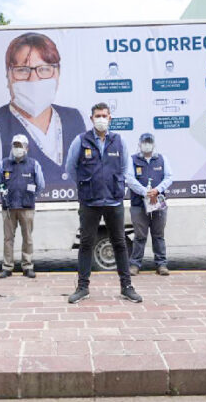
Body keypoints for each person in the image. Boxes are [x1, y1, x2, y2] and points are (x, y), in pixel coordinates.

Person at [0, 32, 86, 188]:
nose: (33, 79)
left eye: (44, 69)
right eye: (22, 70)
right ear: (9, 75)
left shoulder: (79, 118)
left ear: (57, 74)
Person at [65, 102, 142, 304]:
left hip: (113, 200)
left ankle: (127, 287)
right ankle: (82, 288)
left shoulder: (119, 141)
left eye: (104, 115)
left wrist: (117, 187)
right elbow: (71, 168)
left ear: (110, 119)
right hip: (90, 201)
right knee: (86, 244)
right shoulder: (81, 141)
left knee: (119, 243)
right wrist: (86, 185)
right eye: (97, 115)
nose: (101, 119)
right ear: (91, 119)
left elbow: (126, 169)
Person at [0, 134, 45, 279]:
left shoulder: (33, 164)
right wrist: (3, 193)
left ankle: (27, 266)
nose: (17, 148)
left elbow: (41, 185)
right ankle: (7, 267)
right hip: (9, 208)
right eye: (15, 145)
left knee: (27, 238)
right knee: (8, 239)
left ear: (26, 148)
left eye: (20, 145)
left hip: (27, 208)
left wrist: (31, 197)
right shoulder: (3, 164)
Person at [126, 133, 173, 276]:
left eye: (149, 142)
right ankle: (134, 265)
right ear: (139, 144)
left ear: (154, 143)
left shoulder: (162, 159)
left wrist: (157, 190)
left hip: (158, 202)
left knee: (158, 235)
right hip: (138, 204)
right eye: (144, 142)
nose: (147, 144)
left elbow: (169, 177)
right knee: (140, 236)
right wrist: (145, 192)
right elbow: (129, 179)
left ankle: (161, 264)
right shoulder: (132, 159)